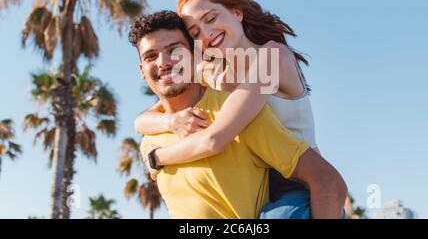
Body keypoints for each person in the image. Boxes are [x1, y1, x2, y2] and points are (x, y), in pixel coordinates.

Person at [129, 11, 347, 218]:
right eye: (151, 56)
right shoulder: (151, 137)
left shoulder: (237, 114)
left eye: (174, 50)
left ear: (195, 56)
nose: (163, 62)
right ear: (141, 70)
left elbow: (327, 180)